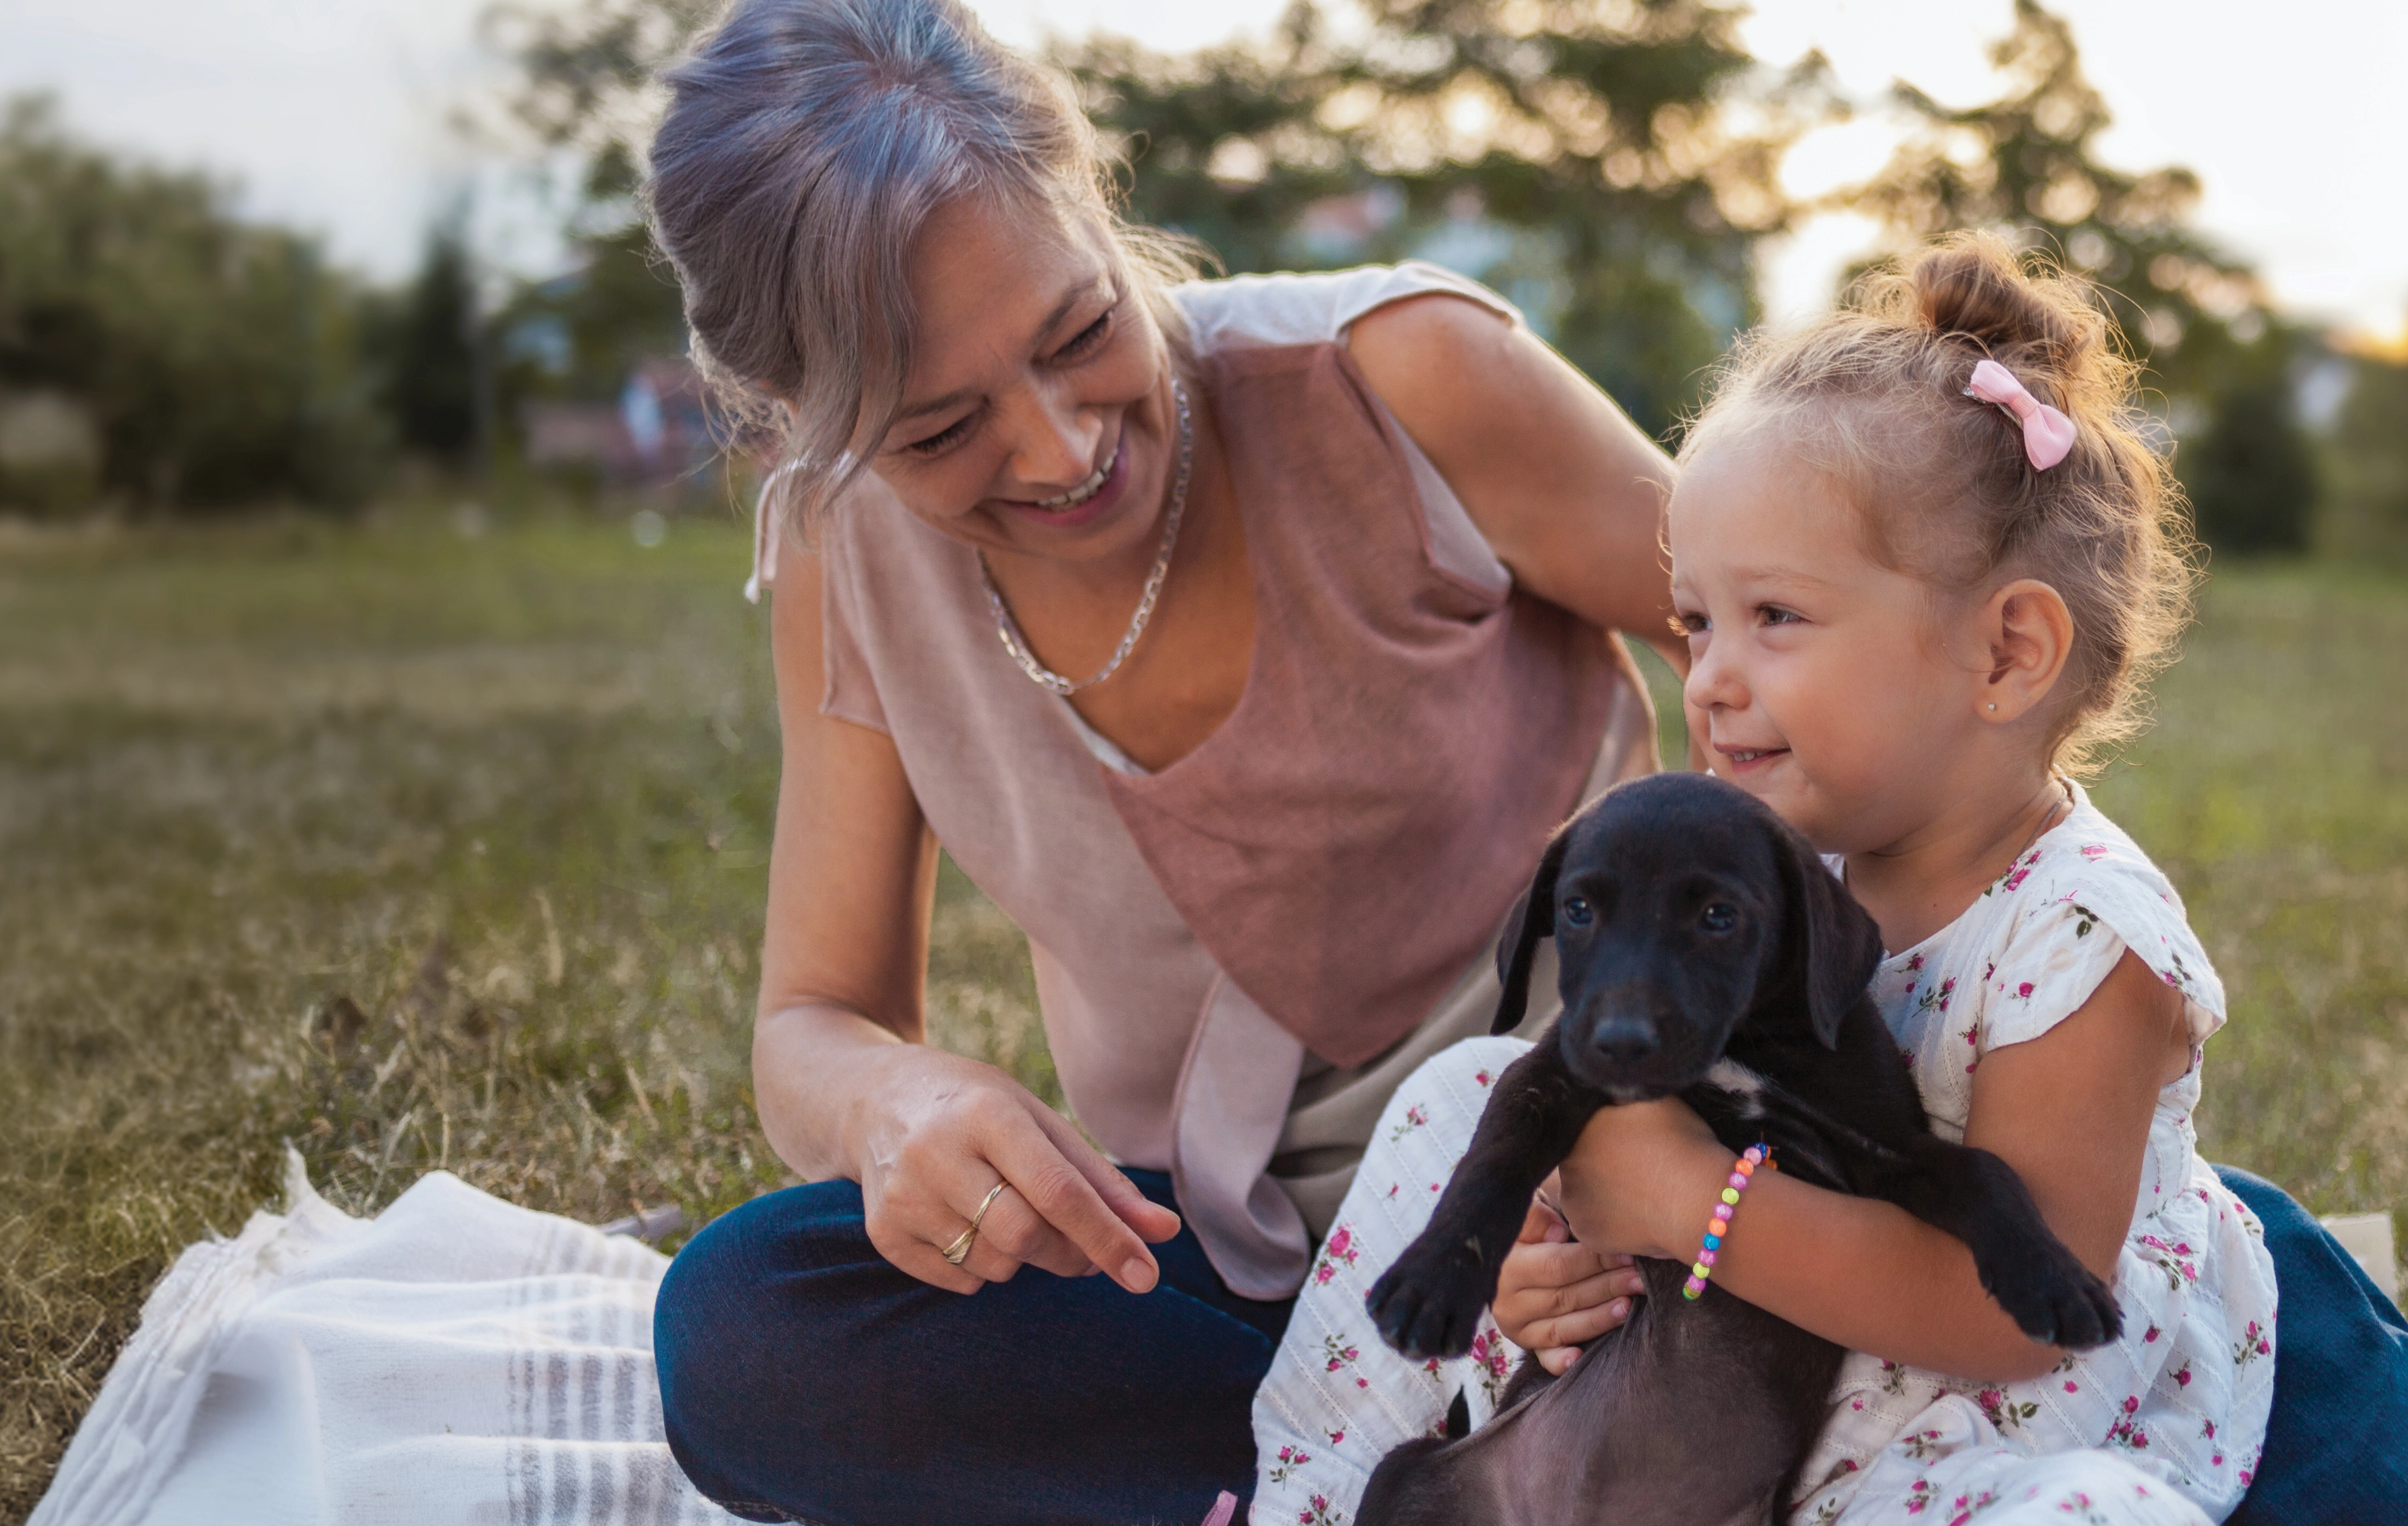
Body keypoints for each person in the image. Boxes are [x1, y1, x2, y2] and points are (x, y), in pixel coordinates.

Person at [1239, 239, 2408, 1526]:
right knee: (1463, 1098)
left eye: (1775, 618)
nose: (1711, 673)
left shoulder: (2080, 938)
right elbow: (1630, 1124)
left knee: (2092, 1516)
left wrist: (1690, 1205)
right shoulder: (1768, 872)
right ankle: (1308, 1495)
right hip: (1713, 1384)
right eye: (1694, 619)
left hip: (1981, 1433)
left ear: (2004, 655)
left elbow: (2015, 1320)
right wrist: (1546, 1249)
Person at [633, 1, 1685, 1521]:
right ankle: (1443, 1487)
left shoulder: (1401, 382)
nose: (1062, 450)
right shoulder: (842, 557)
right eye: (938, 433)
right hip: (1230, 1282)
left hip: (1583, 1221)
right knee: (744, 1328)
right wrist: (893, 1110)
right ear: (803, 424)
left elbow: (1793, 675)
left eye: (1080, 332)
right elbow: (818, 1015)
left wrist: (1661, 1126)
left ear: (1099, 211)